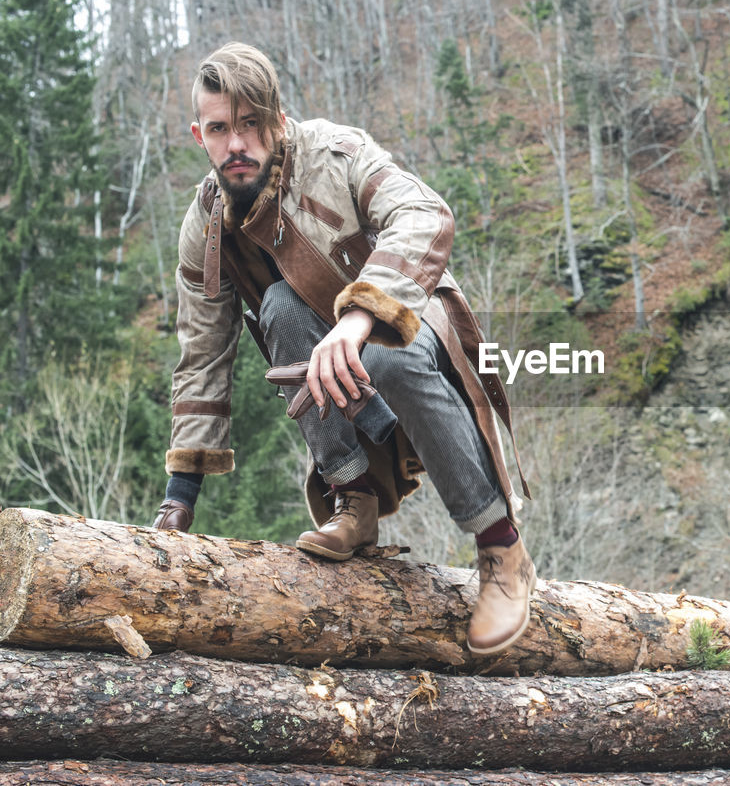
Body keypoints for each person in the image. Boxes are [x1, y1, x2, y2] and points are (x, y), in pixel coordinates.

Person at [150, 42, 535, 656]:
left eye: (251, 124)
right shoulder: (206, 226)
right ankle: (353, 500)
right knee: (276, 305)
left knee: (385, 353)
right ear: (201, 135)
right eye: (221, 129)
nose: (237, 144)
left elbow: (424, 213)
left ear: (277, 120)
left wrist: (360, 317)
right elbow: (201, 354)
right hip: (332, 373)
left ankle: (501, 546)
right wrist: (179, 499)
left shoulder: (337, 153)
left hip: (413, 326)